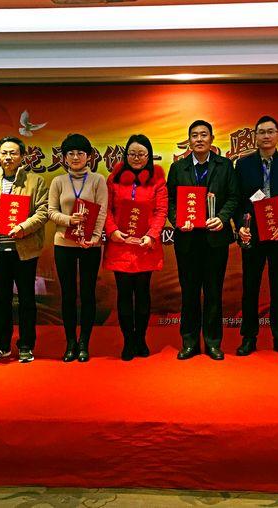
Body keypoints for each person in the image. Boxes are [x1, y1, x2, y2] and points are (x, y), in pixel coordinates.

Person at [167, 120, 239, 360]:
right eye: (194, 135)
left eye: (203, 135)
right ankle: (189, 342)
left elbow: (233, 196)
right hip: (187, 240)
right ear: (189, 141)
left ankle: (213, 342)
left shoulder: (225, 165)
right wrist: (178, 220)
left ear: (212, 139)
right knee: (189, 293)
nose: (199, 139)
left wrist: (222, 218)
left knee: (213, 292)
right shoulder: (178, 168)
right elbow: (170, 200)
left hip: (215, 239)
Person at [234, 116, 278, 357]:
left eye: (270, 131)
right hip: (252, 234)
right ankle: (249, 337)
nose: (266, 136)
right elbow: (237, 200)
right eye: (261, 132)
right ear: (255, 136)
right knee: (250, 287)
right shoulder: (243, 165)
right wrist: (240, 226)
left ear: (277, 135)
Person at [0, 136, 48, 363]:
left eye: (13, 153)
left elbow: (43, 212)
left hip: (24, 250)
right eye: (4, 153)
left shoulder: (35, 181)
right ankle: (1, 344)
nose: (8, 157)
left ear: (22, 156)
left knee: (26, 299)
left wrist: (23, 227)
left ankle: (26, 344)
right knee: (1, 301)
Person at [103, 134, 168, 360]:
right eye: (132, 153)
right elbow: (106, 209)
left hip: (144, 246)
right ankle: (128, 341)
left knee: (142, 294)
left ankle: (140, 338)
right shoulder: (114, 179)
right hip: (120, 244)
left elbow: (161, 211)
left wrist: (152, 235)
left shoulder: (158, 181)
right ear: (125, 155)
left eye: (141, 154)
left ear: (149, 156)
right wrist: (112, 231)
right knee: (123, 294)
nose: (136, 158)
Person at [47, 134, 108, 363]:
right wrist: (68, 220)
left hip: (89, 245)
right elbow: (51, 211)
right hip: (64, 243)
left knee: (88, 293)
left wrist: (94, 237)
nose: (75, 157)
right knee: (68, 294)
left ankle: (84, 343)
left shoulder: (98, 180)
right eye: (70, 153)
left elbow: (101, 210)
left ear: (89, 156)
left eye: (80, 153)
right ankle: (70, 342)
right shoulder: (58, 181)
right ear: (64, 157)